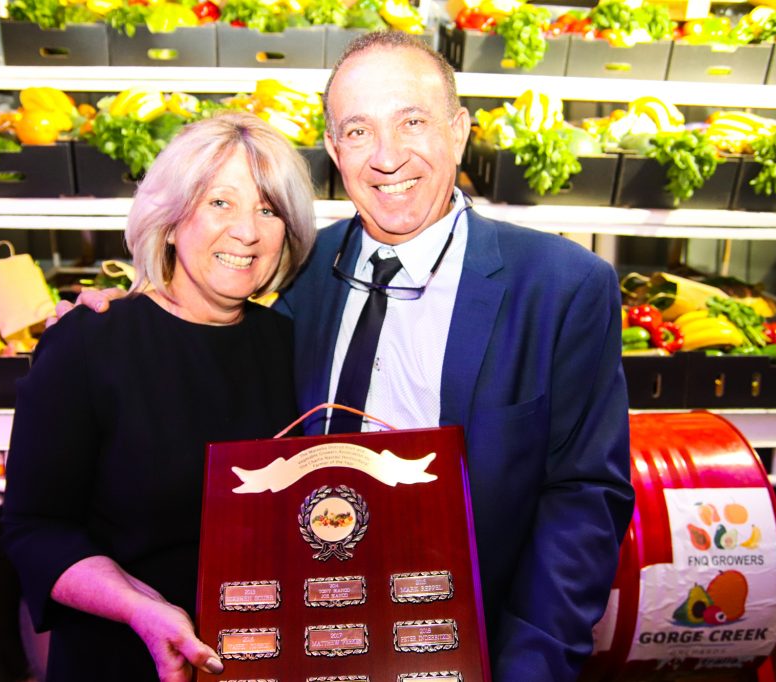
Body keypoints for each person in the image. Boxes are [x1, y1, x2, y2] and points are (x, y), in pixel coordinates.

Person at [66, 32, 634, 680]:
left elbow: (584, 498)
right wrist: (126, 307)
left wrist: (529, 666)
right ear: (334, 150)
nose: (388, 157)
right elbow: (201, 315)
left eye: (412, 122)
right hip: (301, 639)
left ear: (459, 130)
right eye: (359, 132)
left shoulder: (561, 287)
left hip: (475, 650)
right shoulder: (296, 267)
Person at [0, 111, 317, 682]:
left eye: (268, 210)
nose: (247, 230)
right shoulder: (89, 342)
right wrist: (140, 610)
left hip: (263, 659)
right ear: (170, 222)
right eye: (220, 202)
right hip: (123, 656)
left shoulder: (290, 346)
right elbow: (34, 528)